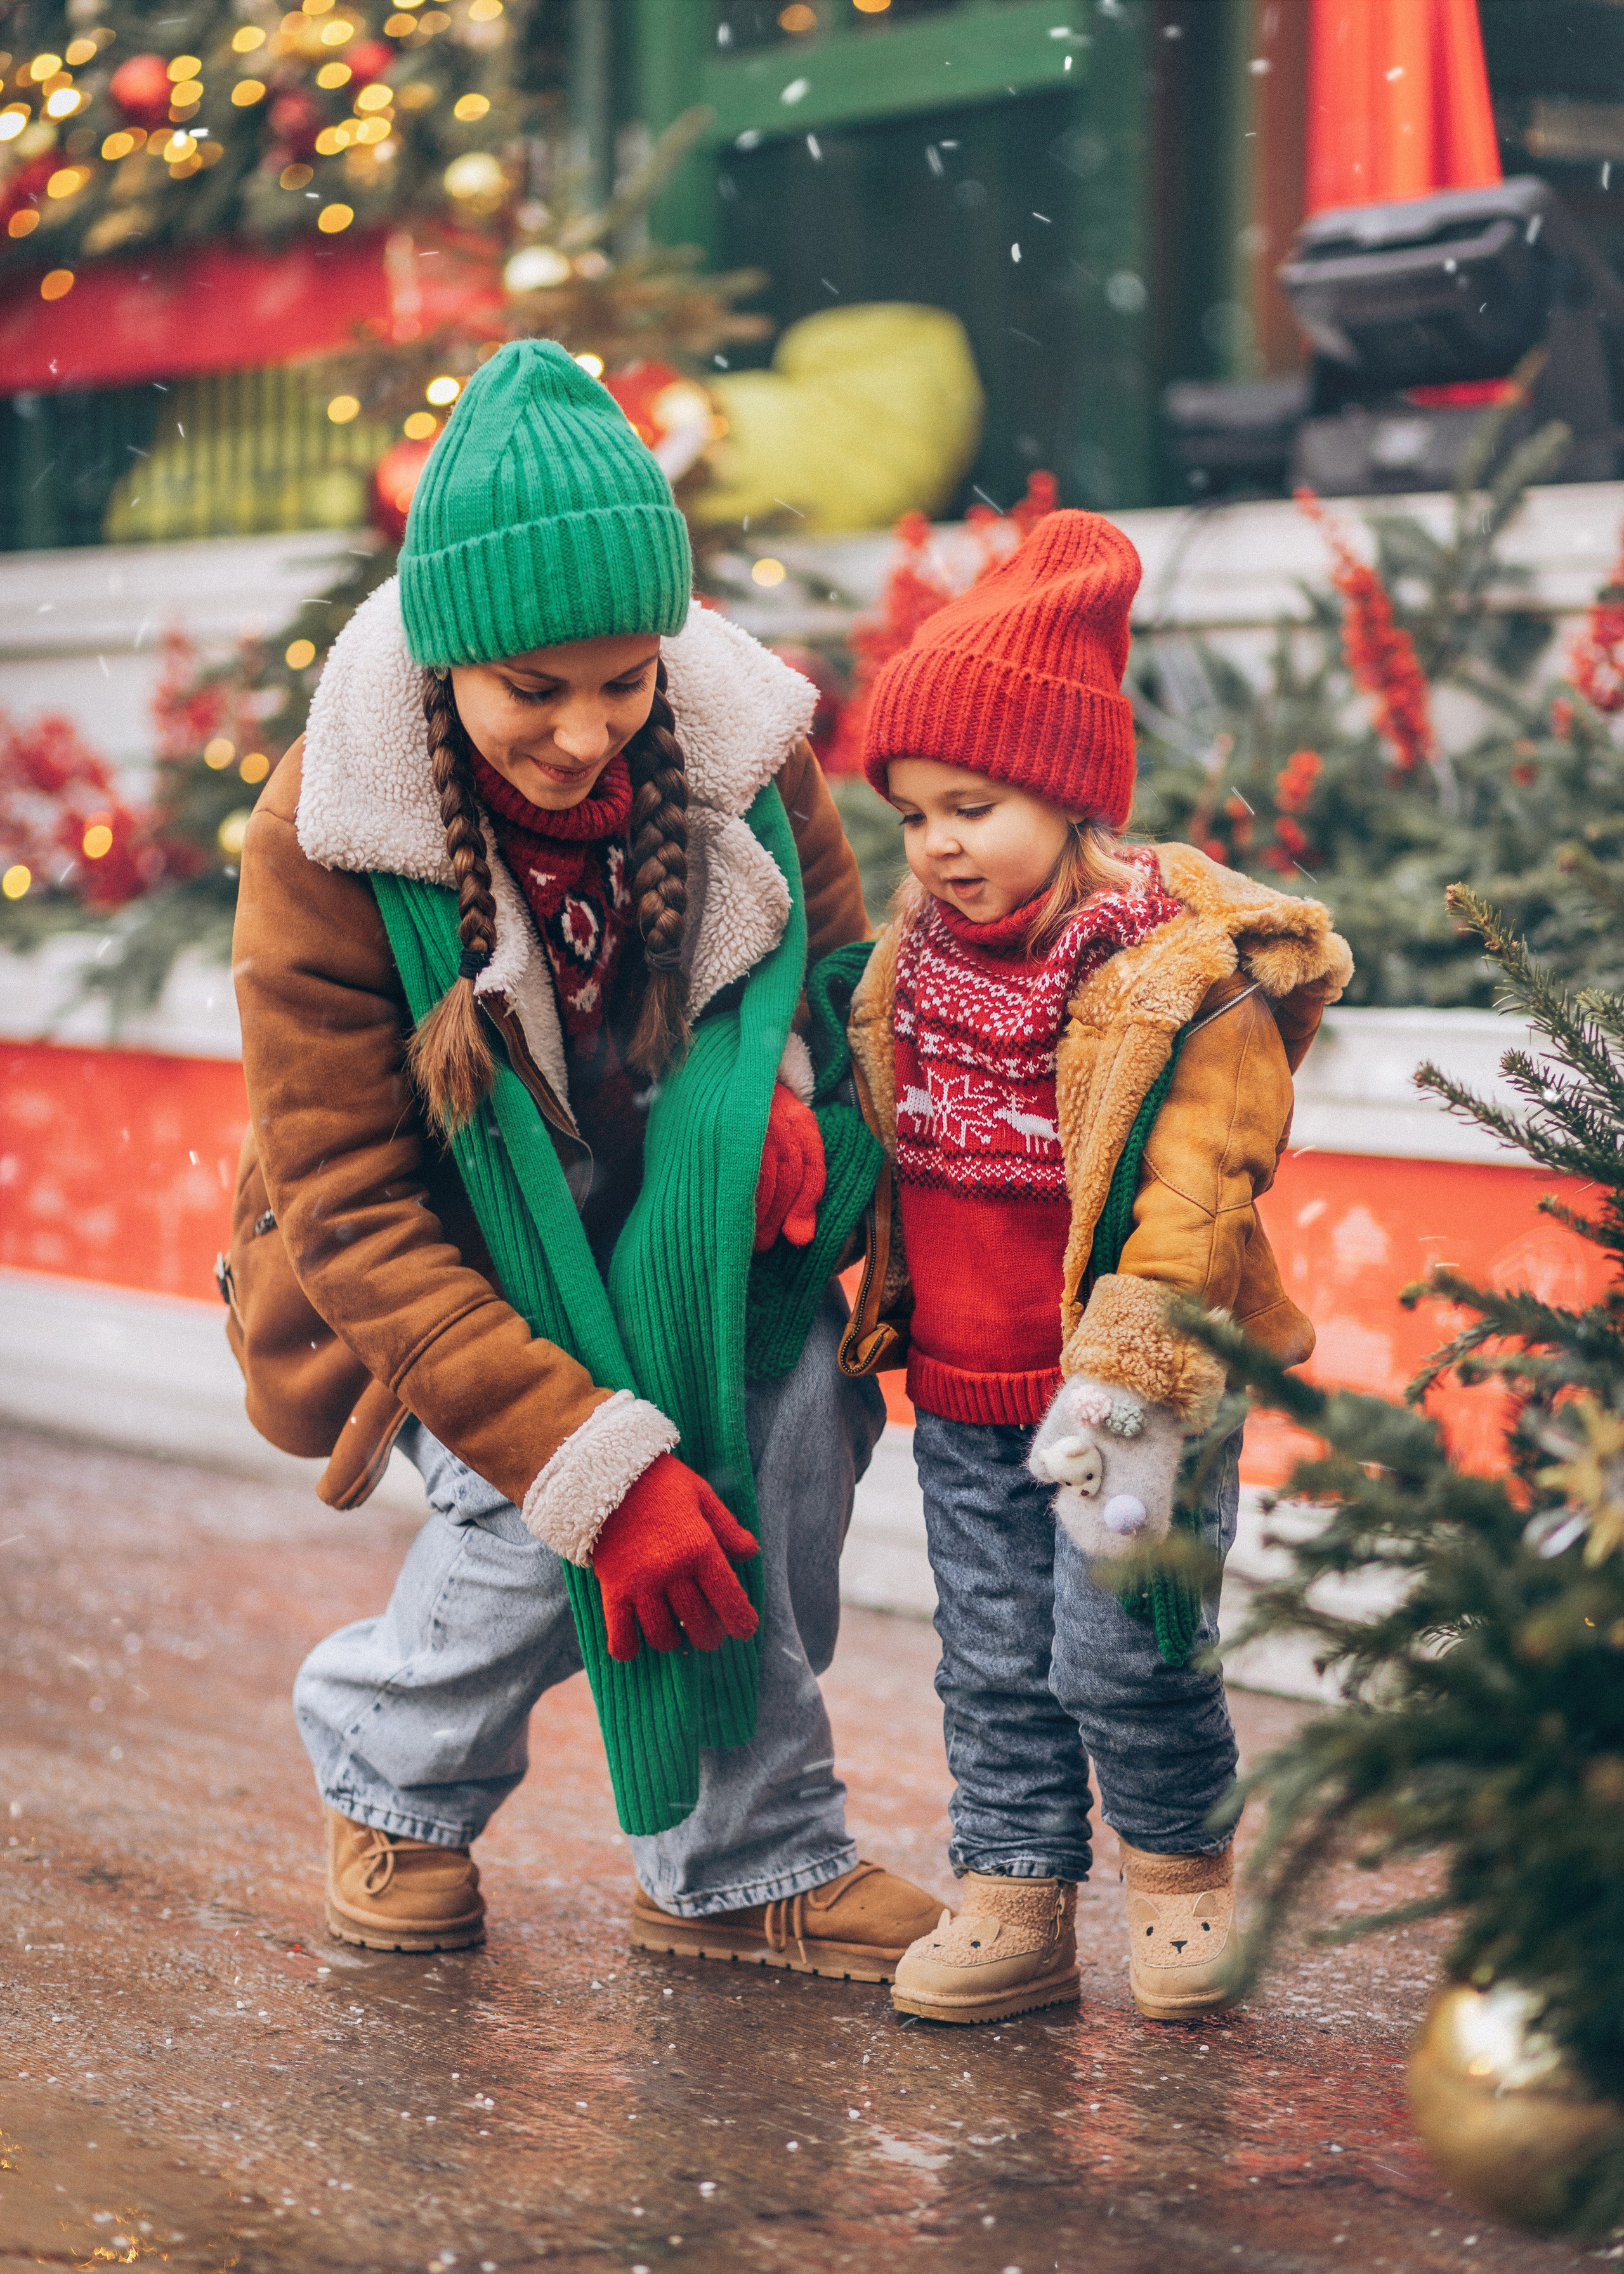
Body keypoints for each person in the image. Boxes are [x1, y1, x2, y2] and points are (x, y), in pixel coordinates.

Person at [223, 338, 940, 1975]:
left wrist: (787, 1104)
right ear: (446, 660)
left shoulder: (746, 755)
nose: (583, 732)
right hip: (457, 1269)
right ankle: (390, 1776)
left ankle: (740, 1861)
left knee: (788, 1439)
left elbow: (842, 1001)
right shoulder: (329, 833)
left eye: (623, 681)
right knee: (555, 1524)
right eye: (531, 690)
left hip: (687, 1242)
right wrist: (593, 1464)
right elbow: (352, 1209)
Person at [838, 509, 1352, 2025]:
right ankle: (1012, 1889)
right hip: (963, 1382)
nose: (938, 844)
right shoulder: (907, 968)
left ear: (1067, 798)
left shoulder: (1176, 982)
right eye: (915, 810)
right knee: (991, 1659)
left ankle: (1181, 1871)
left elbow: (1198, 1187)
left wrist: (1128, 1365)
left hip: (1131, 1387)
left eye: (975, 804)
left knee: (1121, 1651)